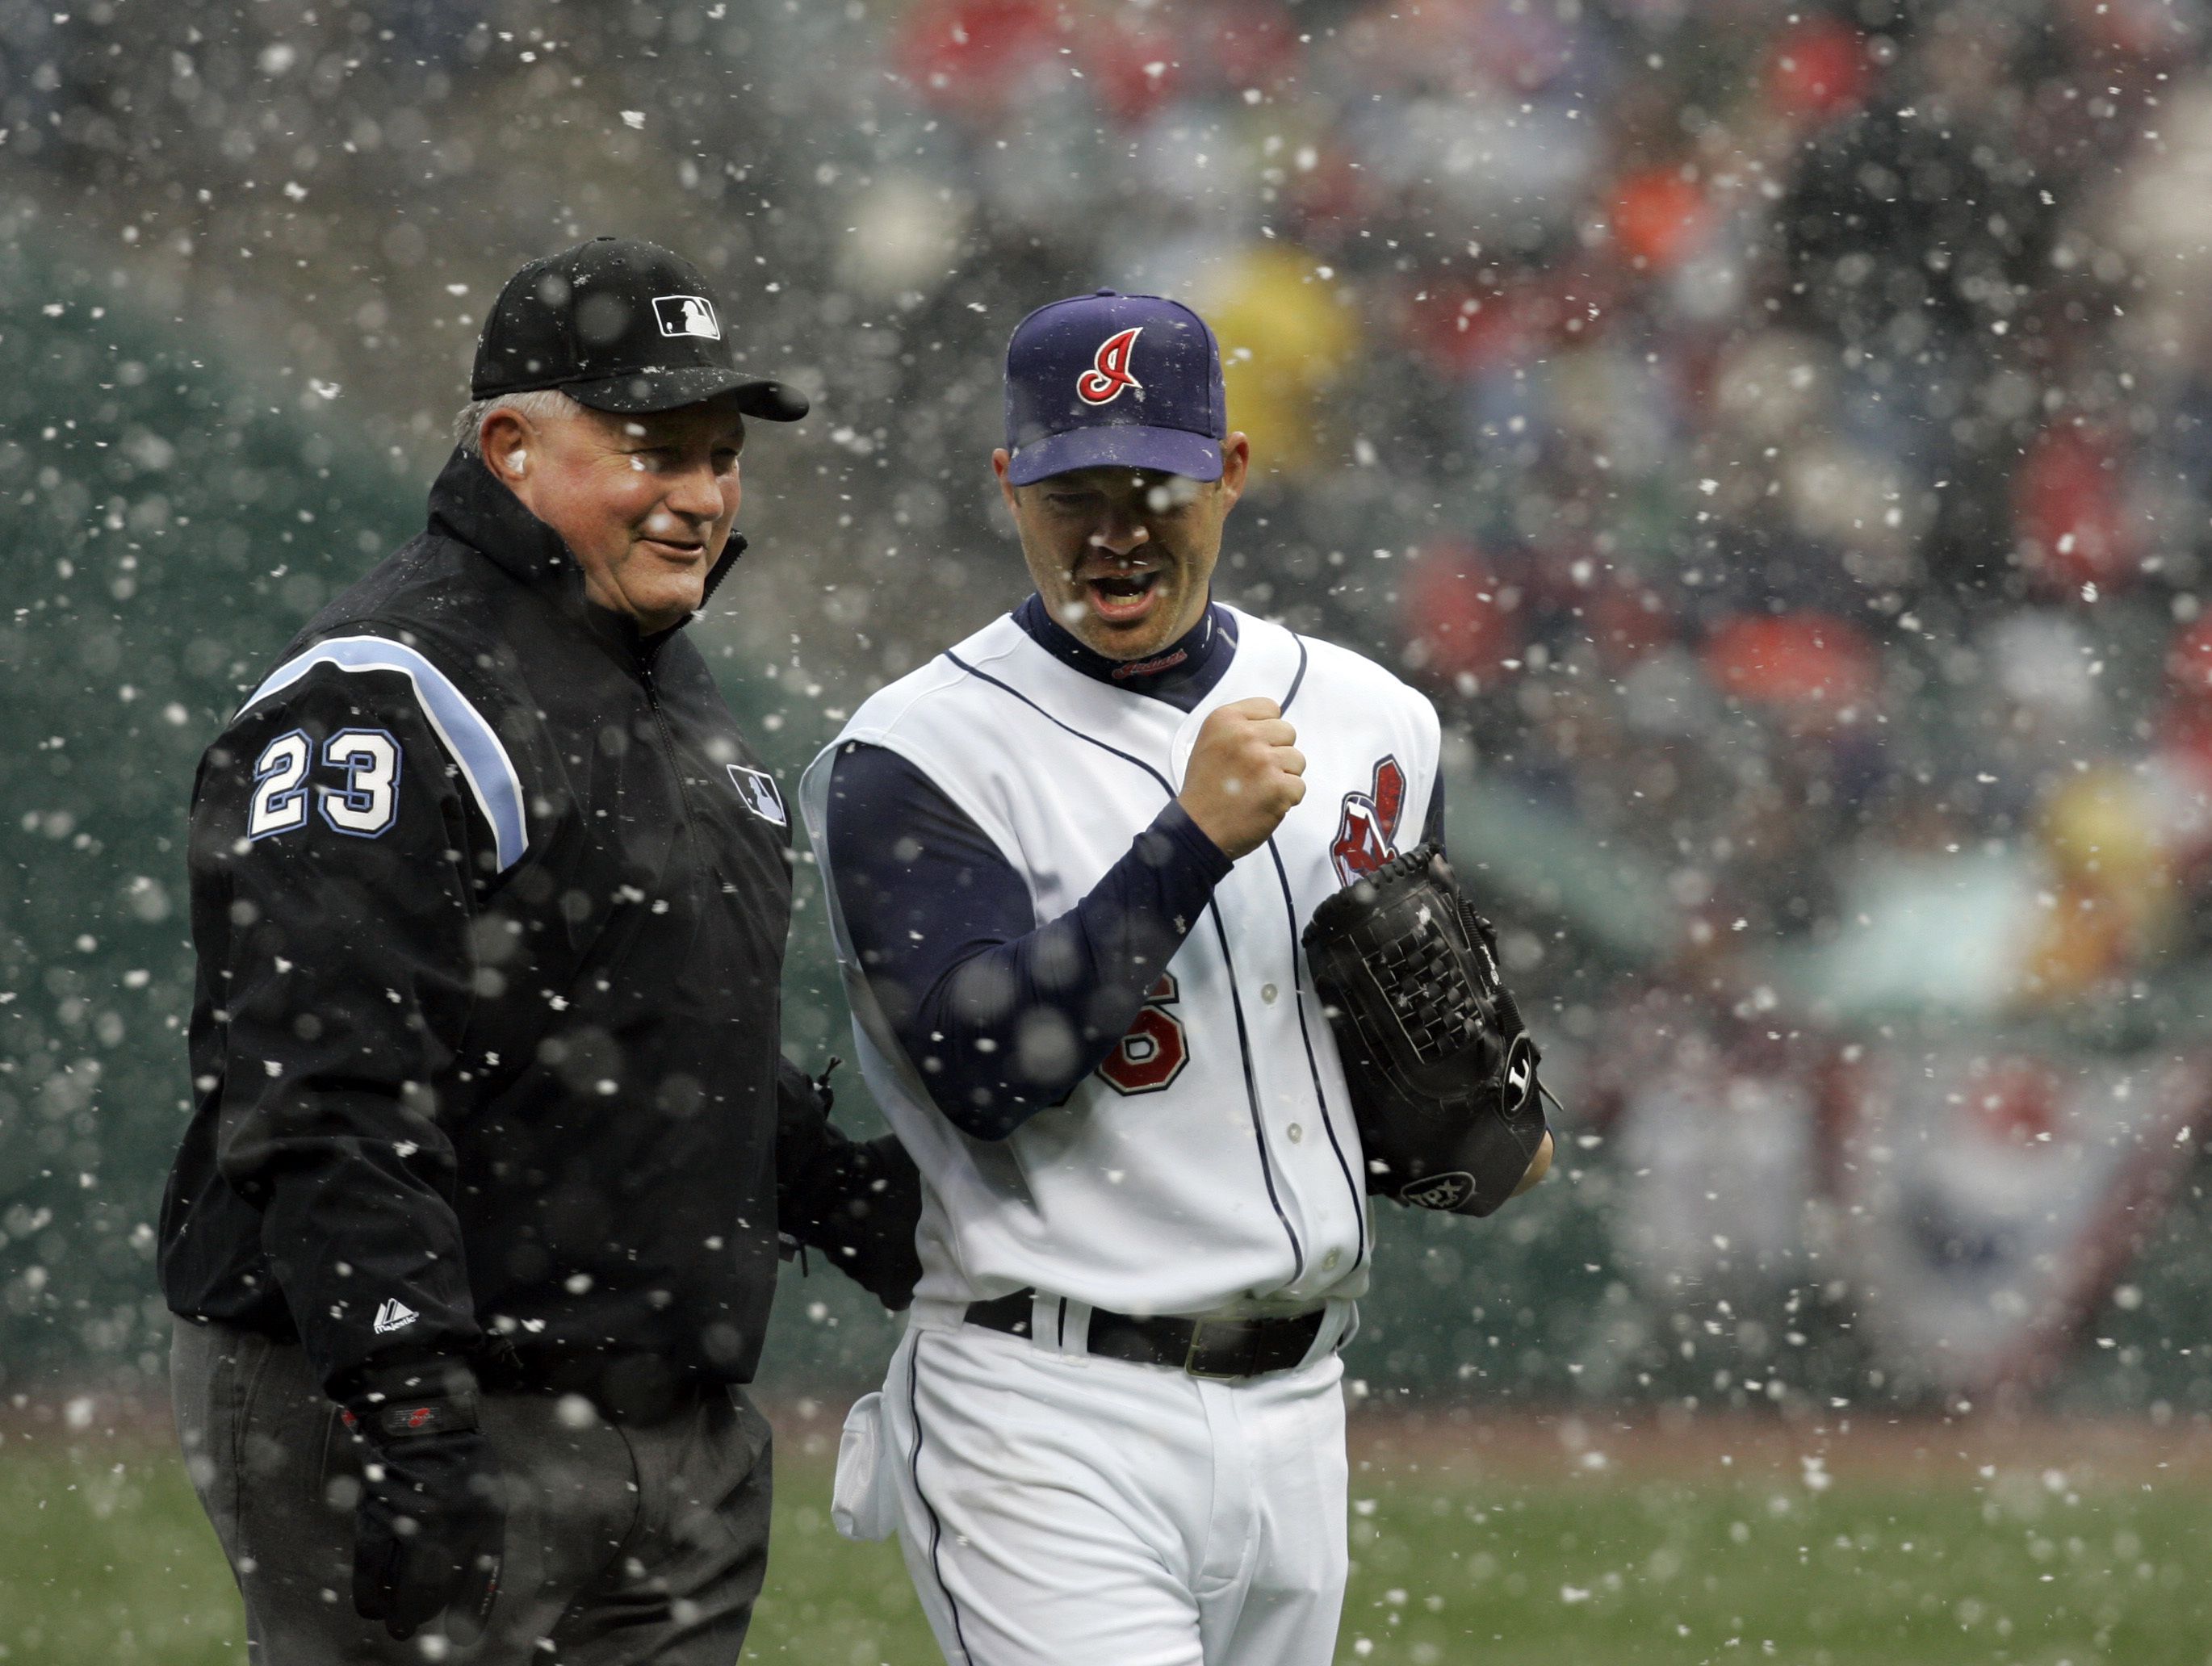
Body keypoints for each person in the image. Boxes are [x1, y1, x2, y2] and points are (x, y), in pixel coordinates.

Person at [158, 237, 920, 1664]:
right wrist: (408, 1400)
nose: (700, 495)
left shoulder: (659, 674)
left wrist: (892, 1224)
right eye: (653, 449)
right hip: (432, 1391)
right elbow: (319, 1079)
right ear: (512, 446)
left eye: (718, 454)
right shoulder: (387, 692)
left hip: (668, 1420)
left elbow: (668, 1033)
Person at [798, 291, 1552, 1666]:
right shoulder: (916, 755)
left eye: (1155, 481)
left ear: (1233, 473)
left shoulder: (1377, 717)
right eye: (1072, 490)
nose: (1116, 530)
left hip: (1300, 1403)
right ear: (1008, 489)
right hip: (1046, 1407)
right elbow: (983, 1070)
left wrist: (1465, 1124)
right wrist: (1190, 843)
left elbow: (1395, 1069)